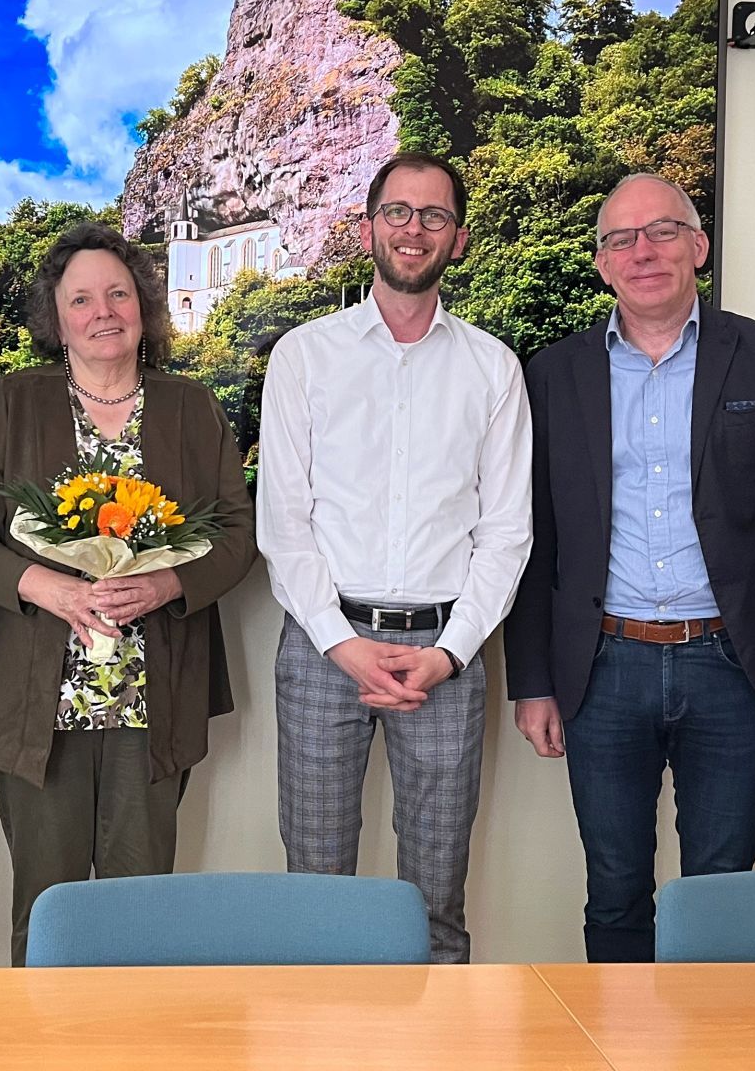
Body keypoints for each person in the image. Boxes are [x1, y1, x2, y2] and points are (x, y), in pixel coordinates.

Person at [504, 172, 755, 962]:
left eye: (661, 232)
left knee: (719, 895)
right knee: (614, 888)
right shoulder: (552, 375)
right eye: (620, 239)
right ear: (601, 263)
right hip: (602, 666)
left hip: (733, 666)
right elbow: (531, 538)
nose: (642, 251)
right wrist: (533, 682)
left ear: (698, 246)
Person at [256, 151, 532, 963]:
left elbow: (506, 533)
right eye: (400, 213)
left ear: (459, 237)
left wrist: (448, 655)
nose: (415, 230)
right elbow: (284, 523)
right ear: (370, 226)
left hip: (448, 652)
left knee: (437, 903)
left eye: (435, 216)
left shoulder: (492, 367)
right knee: (316, 894)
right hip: (321, 649)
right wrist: (342, 643)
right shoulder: (305, 355)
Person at [0, 222, 256, 965]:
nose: (103, 311)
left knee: (139, 919)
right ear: (55, 318)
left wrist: (168, 583)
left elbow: (239, 534)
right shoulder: (11, 403)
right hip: (38, 709)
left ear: (143, 306)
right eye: (81, 298)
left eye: (118, 293)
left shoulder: (191, 408)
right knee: (48, 914)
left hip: (153, 700)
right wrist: (41, 585)